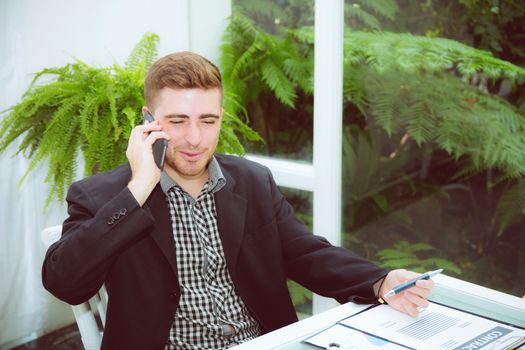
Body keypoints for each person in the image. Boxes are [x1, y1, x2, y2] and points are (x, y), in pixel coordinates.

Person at [42, 51, 434, 349]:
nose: (195, 139)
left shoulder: (251, 180)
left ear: (220, 117)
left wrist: (380, 281)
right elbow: (65, 282)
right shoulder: (104, 196)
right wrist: (139, 188)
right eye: (177, 121)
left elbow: (305, 253)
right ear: (149, 121)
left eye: (207, 121)